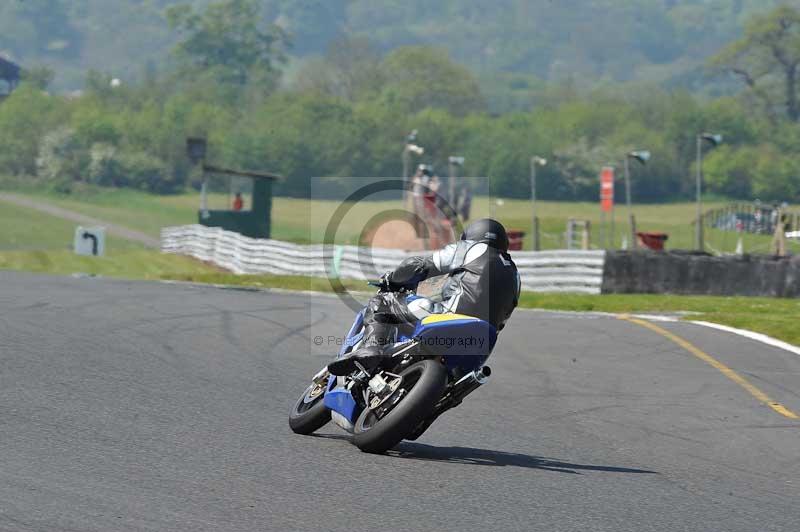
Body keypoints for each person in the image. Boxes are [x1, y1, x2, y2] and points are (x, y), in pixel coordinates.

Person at [328, 218, 521, 376]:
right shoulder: (515, 276)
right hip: (482, 343)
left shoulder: (471, 249)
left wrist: (393, 279)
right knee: (456, 383)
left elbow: (420, 265)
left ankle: (371, 348)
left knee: (383, 302)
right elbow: (503, 319)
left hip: (449, 318)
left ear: (471, 237)